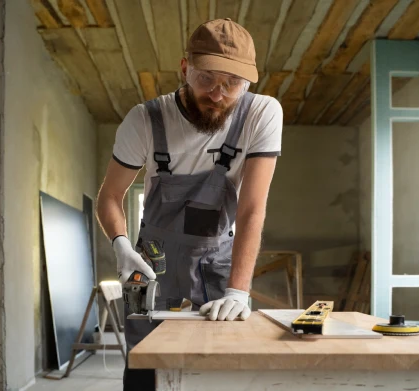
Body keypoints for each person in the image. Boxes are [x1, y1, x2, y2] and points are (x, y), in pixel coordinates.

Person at [96, 17, 283, 390]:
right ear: (185, 69)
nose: (218, 93)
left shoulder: (262, 113)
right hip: (148, 264)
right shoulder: (144, 120)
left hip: (218, 262)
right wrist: (120, 246)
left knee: (220, 366)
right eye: (206, 79)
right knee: (143, 365)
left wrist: (237, 290)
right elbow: (110, 197)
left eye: (233, 84)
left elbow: (251, 210)